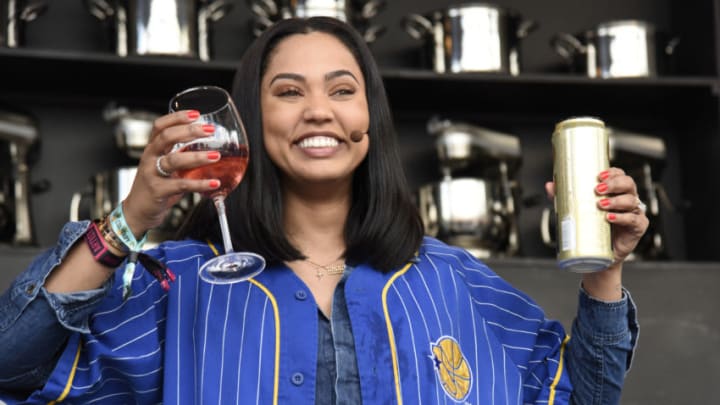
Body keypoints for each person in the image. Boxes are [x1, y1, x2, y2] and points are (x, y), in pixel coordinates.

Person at [0, 17, 645, 404]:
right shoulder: (180, 281)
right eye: (288, 92)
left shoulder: (452, 279)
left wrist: (604, 273)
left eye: (343, 90)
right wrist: (133, 217)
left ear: (370, 120)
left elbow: (583, 396)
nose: (319, 111)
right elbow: (14, 367)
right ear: (254, 119)